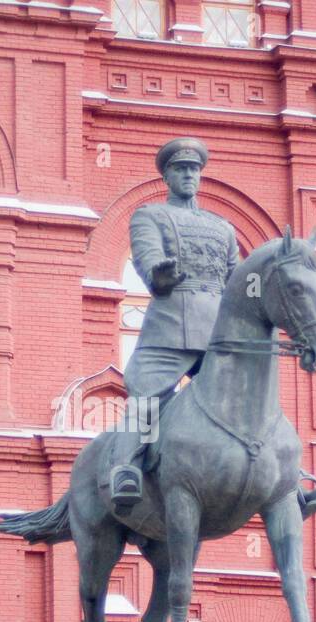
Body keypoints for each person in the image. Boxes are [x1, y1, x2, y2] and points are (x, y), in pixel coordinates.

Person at [110, 137, 238, 509]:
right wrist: (159, 275)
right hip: (170, 328)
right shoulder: (150, 215)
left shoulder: (222, 228)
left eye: (194, 170)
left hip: (217, 332)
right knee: (147, 397)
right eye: (180, 169)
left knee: (252, 395)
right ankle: (126, 468)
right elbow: (147, 259)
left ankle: (286, 479)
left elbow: (238, 280)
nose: (188, 175)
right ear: (167, 176)